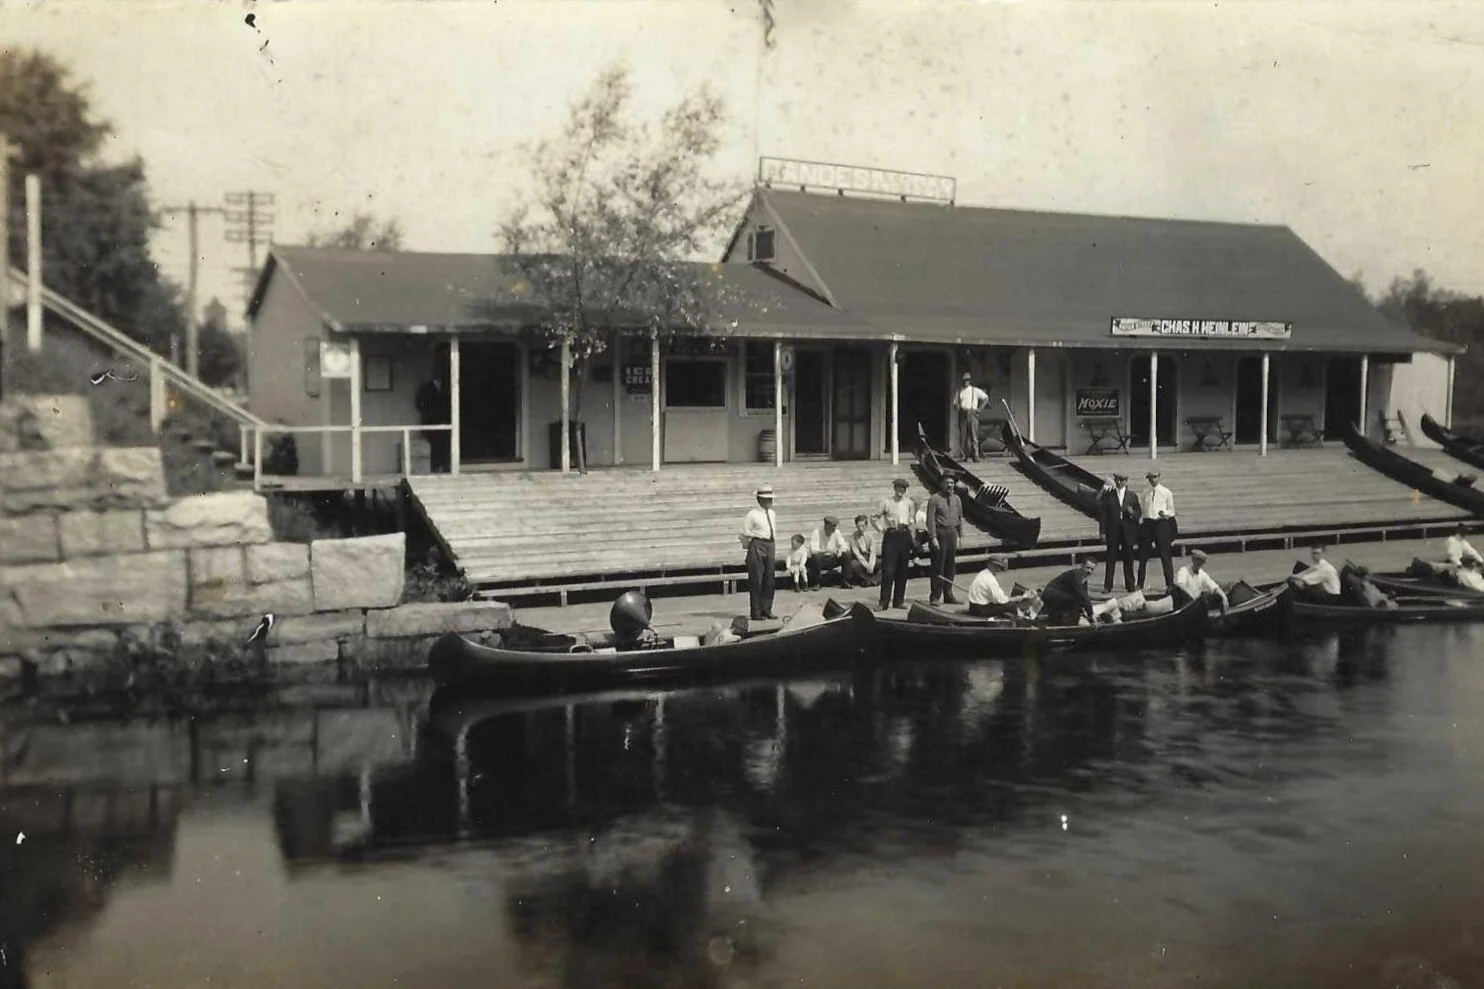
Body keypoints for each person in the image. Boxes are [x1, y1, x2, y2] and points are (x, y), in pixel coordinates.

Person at [876, 477, 918, 611]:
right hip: (891, 535)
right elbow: (874, 517)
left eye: (903, 488)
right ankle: (883, 602)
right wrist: (882, 529)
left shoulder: (909, 503)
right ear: (894, 488)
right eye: (899, 488)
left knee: (902, 570)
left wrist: (912, 537)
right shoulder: (886, 502)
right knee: (888, 570)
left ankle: (898, 601)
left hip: (904, 534)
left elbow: (912, 520)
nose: (901, 490)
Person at [740, 485, 779, 620]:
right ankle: (756, 612)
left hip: (770, 545)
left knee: (769, 580)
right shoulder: (752, 514)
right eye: (767, 499)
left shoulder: (772, 513)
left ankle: (767, 609)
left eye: (771, 499)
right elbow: (744, 533)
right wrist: (750, 548)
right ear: (760, 500)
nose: (770, 502)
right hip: (757, 544)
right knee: (757, 580)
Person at [1098, 471, 1141, 593]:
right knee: (1111, 558)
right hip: (1113, 530)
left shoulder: (1132, 496)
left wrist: (1133, 513)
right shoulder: (1109, 495)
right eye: (1117, 479)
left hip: (1127, 531)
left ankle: (1130, 585)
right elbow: (1103, 515)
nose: (1119, 482)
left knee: (1128, 558)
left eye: (1121, 480)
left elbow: (1139, 512)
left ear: (1126, 481)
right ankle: (1108, 586)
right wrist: (1102, 532)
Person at [926, 476, 965, 605]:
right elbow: (930, 520)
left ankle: (948, 594)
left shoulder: (957, 499)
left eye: (952, 482)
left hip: (952, 532)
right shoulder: (934, 499)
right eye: (947, 482)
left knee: (950, 565)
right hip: (940, 533)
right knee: (938, 566)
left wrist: (960, 537)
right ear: (942, 484)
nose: (950, 485)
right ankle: (935, 596)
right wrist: (933, 538)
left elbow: (960, 518)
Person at [415, 346, 453, 473]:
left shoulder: (449, 387)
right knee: (434, 446)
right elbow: (419, 404)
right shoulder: (426, 388)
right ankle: (435, 467)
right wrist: (430, 413)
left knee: (445, 444)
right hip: (431, 422)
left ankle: (445, 466)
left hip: (445, 422)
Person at [1137, 469, 1177, 590]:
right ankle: (1140, 583)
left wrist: (1164, 513)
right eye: (1150, 478)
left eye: (1154, 477)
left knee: (1165, 555)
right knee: (1143, 555)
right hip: (1148, 524)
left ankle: (1169, 583)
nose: (1152, 480)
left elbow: (1172, 510)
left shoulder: (1166, 492)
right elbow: (1143, 510)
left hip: (1161, 523)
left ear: (1159, 477)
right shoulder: (1145, 493)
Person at [967, 554, 1036, 618]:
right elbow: (1001, 600)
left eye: (999, 567)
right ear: (990, 565)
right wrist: (1017, 598)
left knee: (1007, 603)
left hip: (973, 607)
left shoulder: (983, 573)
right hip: (980, 610)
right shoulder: (990, 580)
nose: (999, 569)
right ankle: (1024, 617)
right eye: (997, 567)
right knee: (1010, 605)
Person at [1039, 559, 1098, 626]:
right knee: (1076, 600)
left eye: (1092, 569)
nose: (1089, 571)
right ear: (1082, 566)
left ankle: (1064, 620)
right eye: (1087, 568)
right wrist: (1091, 614)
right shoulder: (1075, 575)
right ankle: (1070, 622)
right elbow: (1083, 596)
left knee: (1077, 601)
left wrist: (1087, 613)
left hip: (1060, 596)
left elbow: (1085, 597)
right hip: (1050, 594)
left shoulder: (1083, 581)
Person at [1173, 548, 1228, 612]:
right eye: (1198, 561)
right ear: (1193, 559)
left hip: (1196, 605)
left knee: (1215, 597)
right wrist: (1192, 595)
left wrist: (1224, 597)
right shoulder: (1184, 570)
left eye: (1202, 562)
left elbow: (1214, 586)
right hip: (1185, 605)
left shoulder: (1202, 573)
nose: (1200, 564)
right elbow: (1181, 584)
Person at [805, 515, 850, 590]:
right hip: (821, 560)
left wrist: (840, 551)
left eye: (835, 526)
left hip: (833, 558)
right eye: (833, 526)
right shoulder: (817, 532)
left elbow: (844, 545)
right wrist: (827, 551)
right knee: (816, 557)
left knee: (846, 554)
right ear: (826, 525)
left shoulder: (836, 532)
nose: (834, 528)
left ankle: (845, 580)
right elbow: (814, 550)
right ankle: (817, 582)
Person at [955, 372, 990, 461]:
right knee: (963, 436)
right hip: (962, 413)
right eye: (964, 380)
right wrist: (957, 406)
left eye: (967, 380)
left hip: (972, 413)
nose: (965, 382)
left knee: (974, 435)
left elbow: (986, 398)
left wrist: (980, 409)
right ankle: (963, 456)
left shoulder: (975, 390)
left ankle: (976, 455)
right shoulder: (959, 391)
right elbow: (954, 403)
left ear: (970, 381)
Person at [842, 514, 880, 586]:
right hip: (859, 559)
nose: (860, 528)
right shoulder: (853, 538)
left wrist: (871, 565)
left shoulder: (870, 536)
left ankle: (874, 580)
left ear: (866, 526)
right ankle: (867, 579)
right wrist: (866, 565)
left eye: (863, 526)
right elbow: (857, 554)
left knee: (883, 564)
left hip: (869, 557)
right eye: (858, 526)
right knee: (854, 565)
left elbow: (873, 552)